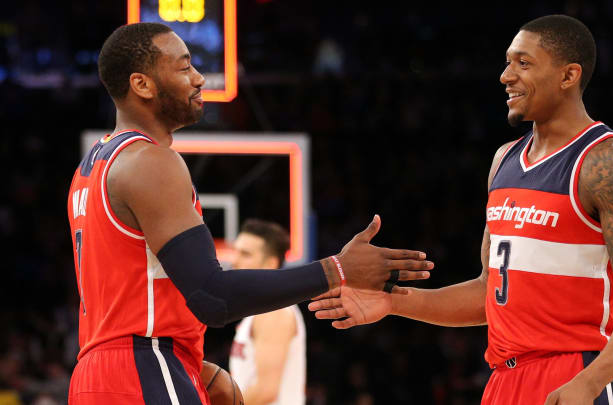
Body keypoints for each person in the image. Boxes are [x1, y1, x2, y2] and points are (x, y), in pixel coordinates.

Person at [65, 22, 434, 405]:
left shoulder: (90, 169)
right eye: (183, 67)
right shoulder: (151, 161)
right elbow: (212, 296)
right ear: (142, 84)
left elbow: (129, 299)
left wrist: (192, 363)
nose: (198, 78)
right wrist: (338, 270)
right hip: (145, 370)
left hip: (96, 375)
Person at [310, 14, 613, 405]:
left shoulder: (607, 164)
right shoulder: (504, 160)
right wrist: (395, 301)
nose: (505, 75)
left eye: (523, 63)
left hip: (580, 373)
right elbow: (489, 293)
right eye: (508, 61)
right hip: (505, 379)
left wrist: (592, 381)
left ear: (569, 76)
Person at [228, 219, 306, 405]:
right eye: (236, 252)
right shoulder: (261, 309)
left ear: (270, 263)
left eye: (245, 254)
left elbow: (266, 391)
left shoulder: (273, 312)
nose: (235, 261)